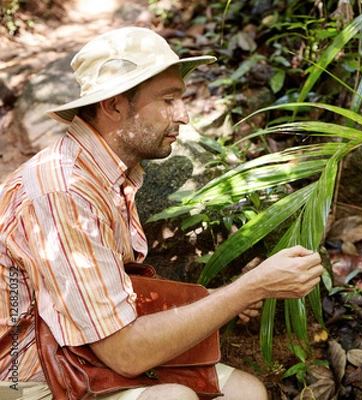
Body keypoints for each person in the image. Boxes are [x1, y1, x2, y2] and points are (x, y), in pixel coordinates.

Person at [0, 27, 324, 400]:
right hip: (28, 373)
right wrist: (248, 288)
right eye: (168, 100)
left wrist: (225, 297)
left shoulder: (107, 170)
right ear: (115, 105)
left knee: (247, 393)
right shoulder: (64, 192)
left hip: (80, 346)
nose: (183, 115)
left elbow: (106, 298)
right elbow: (124, 353)